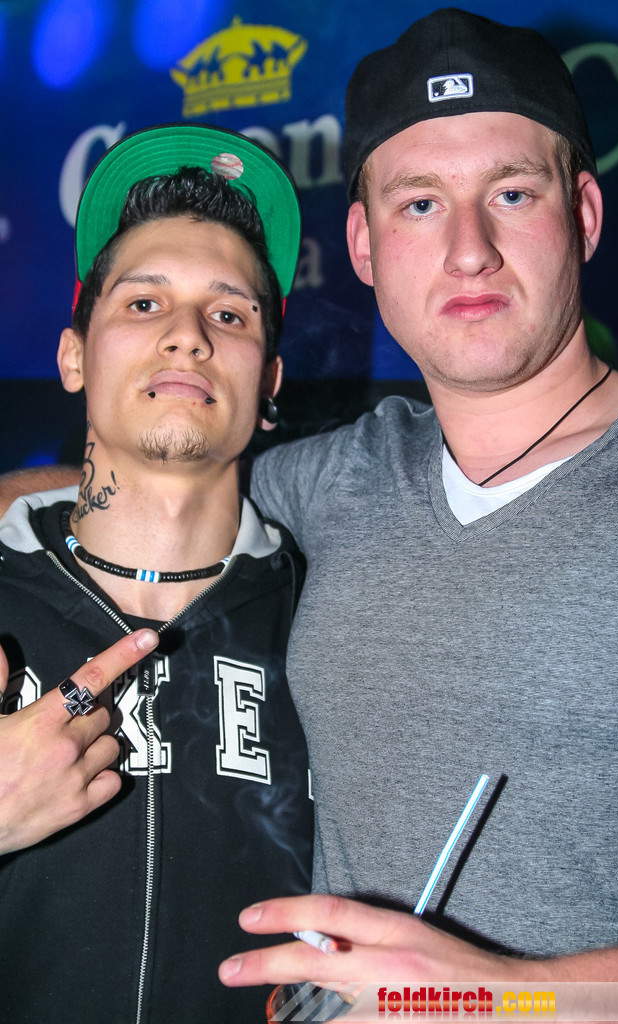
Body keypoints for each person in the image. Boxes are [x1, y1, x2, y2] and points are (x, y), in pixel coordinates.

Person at [216, 8, 618, 986]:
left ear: (584, 215)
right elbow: (131, 501)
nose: (470, 249)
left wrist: (505, 998)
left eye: (511, 193)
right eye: (420, 204)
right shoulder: (327, 480)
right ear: (364, 245)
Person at [0, 123, 313, 1023]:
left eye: (230, 314)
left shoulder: (338, 622)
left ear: (270, 380)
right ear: (73, 356)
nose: (187, 336)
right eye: (144, 303)